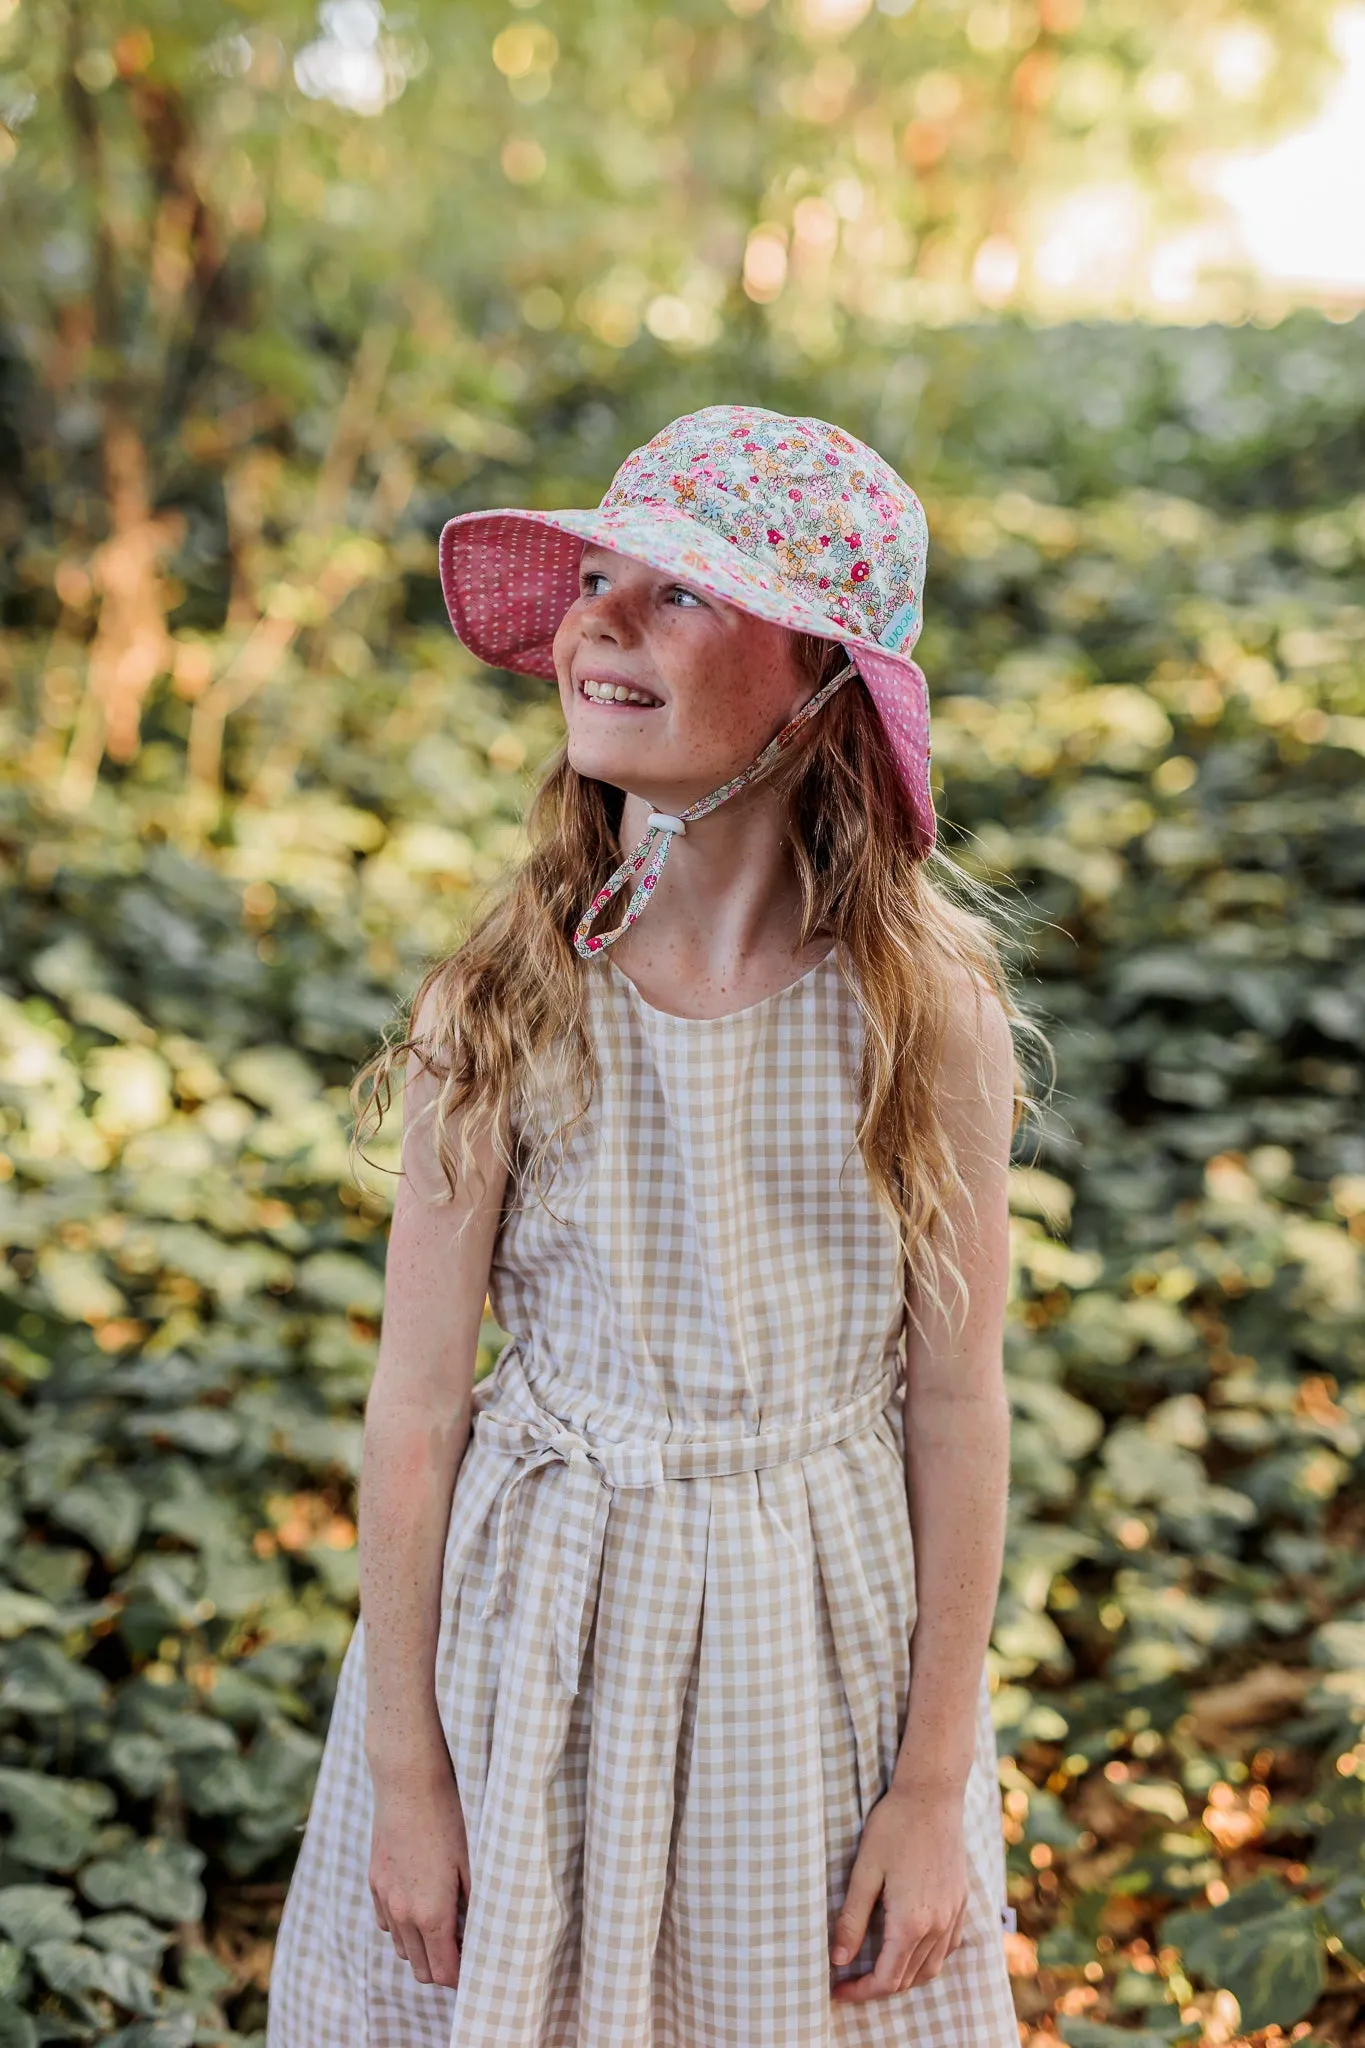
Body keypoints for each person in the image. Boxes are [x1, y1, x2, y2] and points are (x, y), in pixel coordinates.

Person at [266, 404, 1042, 2048]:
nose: (600, 619)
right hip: (538, 1636)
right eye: (598, 577)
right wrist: (410, 1771)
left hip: (807, 1636)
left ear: (827, 682)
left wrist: (929, 1783)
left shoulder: (923, 1017)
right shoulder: (503, 1002)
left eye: (679, 593)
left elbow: (958, 1402)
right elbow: (416, 1407)